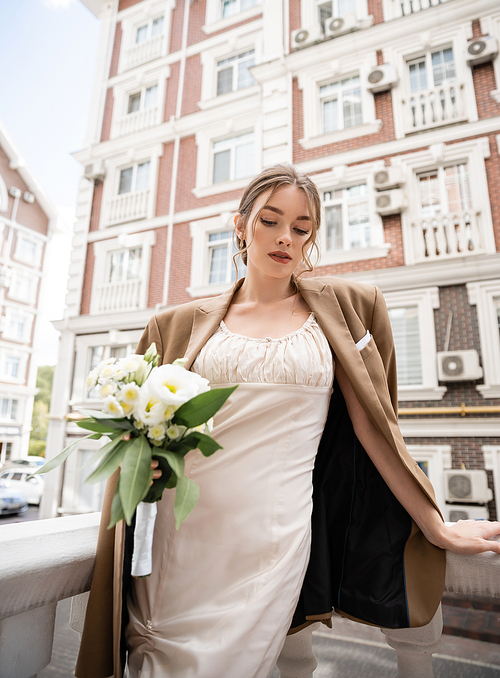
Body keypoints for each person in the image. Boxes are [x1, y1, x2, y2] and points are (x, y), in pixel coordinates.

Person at [75, 164, 500, 678]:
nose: (285, 238)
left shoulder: (348, 310)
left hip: (275, 536)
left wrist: (436, 526)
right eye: (270, 221)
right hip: (180, 535)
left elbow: (376, 431)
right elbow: (138, 436)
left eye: (301, 228)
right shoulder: (177, 323)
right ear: (240, 225)